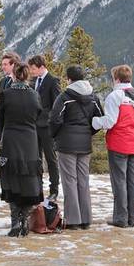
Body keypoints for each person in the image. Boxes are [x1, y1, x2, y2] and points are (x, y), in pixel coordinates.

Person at [93, 64, 134, 228]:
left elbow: (110, 122)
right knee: (133, 181)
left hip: (119, 143)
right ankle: (133, 217)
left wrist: (95, 121)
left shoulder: (115, 96)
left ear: (116, 78)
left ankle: (120, 218)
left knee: (119, 181)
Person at [48, 65, 102, 230]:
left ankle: (73, 220)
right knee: (83, 180)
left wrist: (56, 135)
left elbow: (55, 119)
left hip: (66, 144)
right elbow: (99, 119)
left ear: (68, 79)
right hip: (85, 143)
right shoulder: (93, 97)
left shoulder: (65, 97)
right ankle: (86, 219)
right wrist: (88, 132)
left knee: (69, 181)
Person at [0, 62, 44, 237]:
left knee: (11, 176)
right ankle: (25, 219)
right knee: (29, 177)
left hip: (10, 137)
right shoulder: (34, 95)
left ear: (15, 75)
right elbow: (38, 116)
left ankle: (15, 221)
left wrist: (1, 136)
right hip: (30, 139)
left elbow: (0, 118)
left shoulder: (6, 94)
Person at [27, 55, 61, 199]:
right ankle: (37, 187)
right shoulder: (34, 81)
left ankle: (54, 190)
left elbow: (57, 104)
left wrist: (51, 121)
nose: (31, 71)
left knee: (51, 159)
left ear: (41, 67)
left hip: (47, 126)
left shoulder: (52, 81)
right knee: (36, 158)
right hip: (34, 125)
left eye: (33, 69)